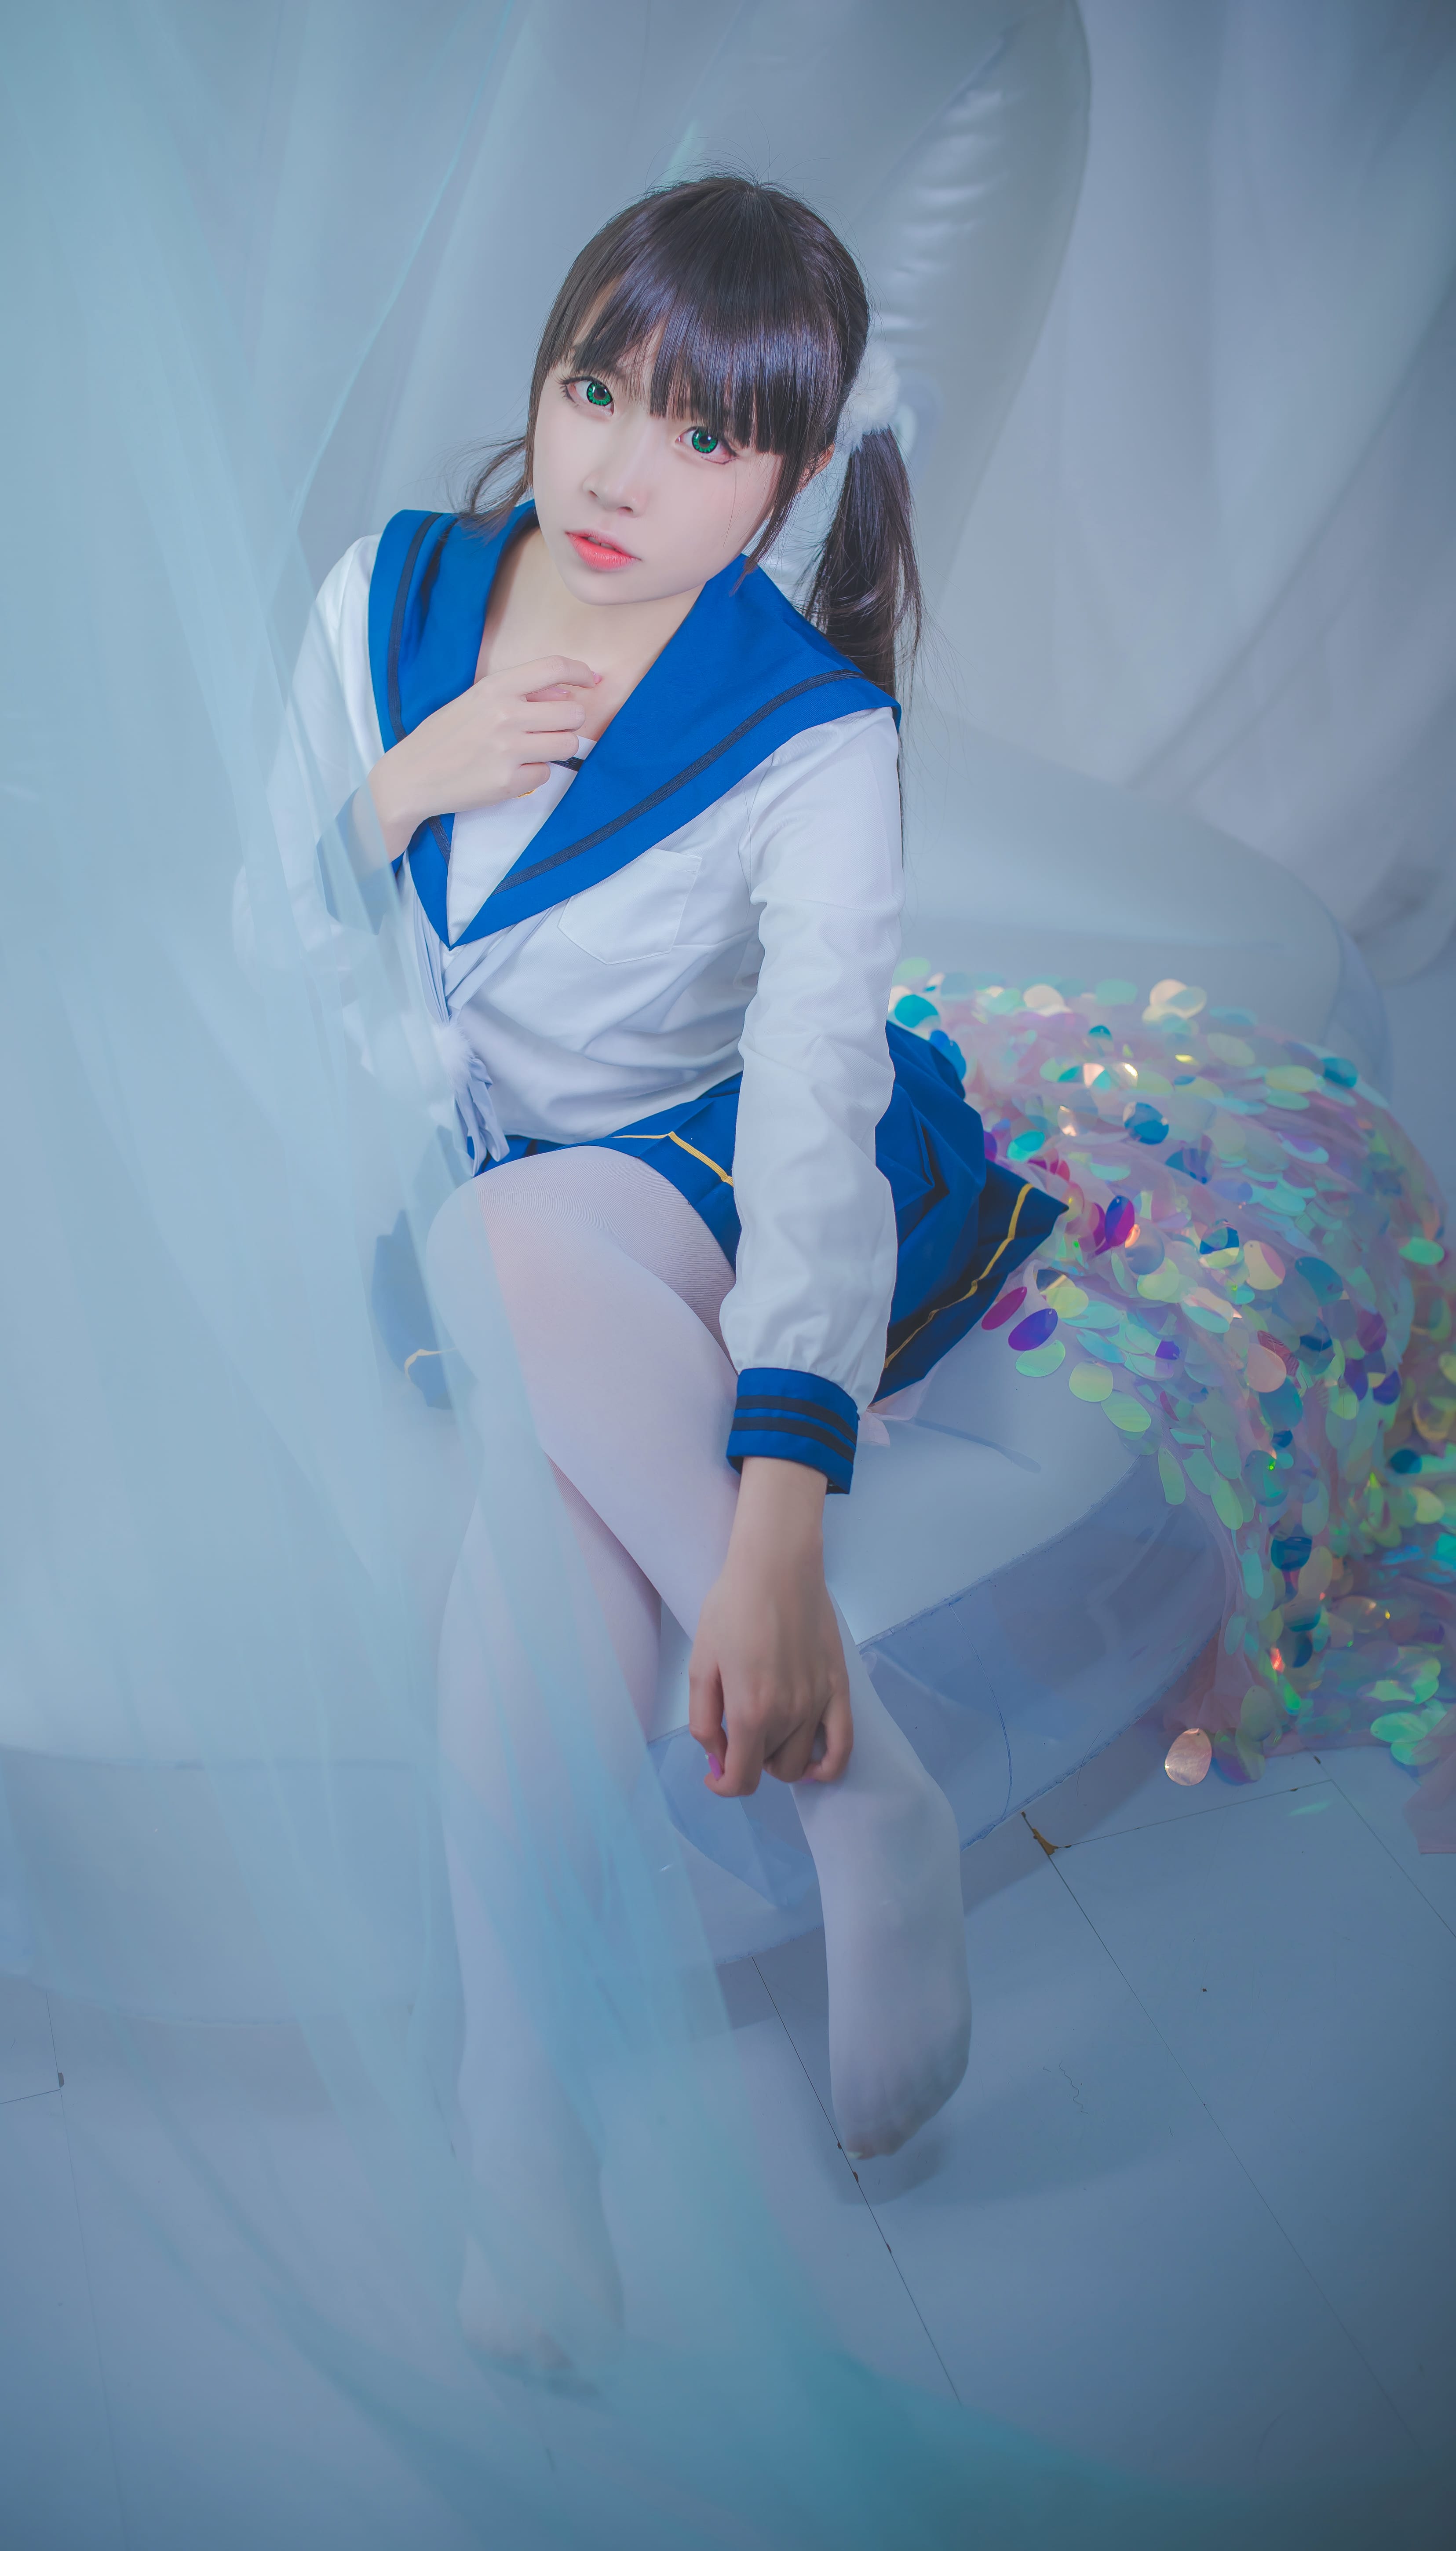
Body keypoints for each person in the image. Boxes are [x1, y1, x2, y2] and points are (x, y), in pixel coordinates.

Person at [272, 176, 1058, 2363]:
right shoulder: (382, 602)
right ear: (539, 378)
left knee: (498, 1243)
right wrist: (392, 794)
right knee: (535, 1533)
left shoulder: (808, 732)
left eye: (705, 437)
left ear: (785, 483)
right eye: (592, 390)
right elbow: (265, 938)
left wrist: (779, 1531)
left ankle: (793, 1827)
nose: (619, 469)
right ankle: (560, 2089)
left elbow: (808, 1110)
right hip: (515, 1199)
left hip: (715, 1170)